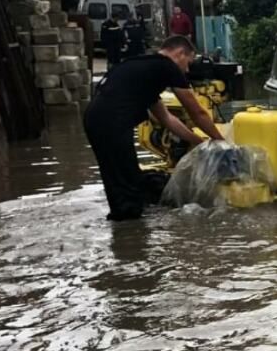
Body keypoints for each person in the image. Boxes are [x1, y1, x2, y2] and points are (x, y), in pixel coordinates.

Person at [82, 35, 224, 221]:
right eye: (187, 63)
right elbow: (197, 112)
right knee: (127, 190)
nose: (186, 69)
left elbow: (167, 119)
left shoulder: (144, 68)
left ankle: (125, 231)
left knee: (120, 180)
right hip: (111, 123)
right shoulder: (167, 66)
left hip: (94, 119)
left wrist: (198, 142)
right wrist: (221, 142)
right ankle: (130, 236)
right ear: (180, 53)